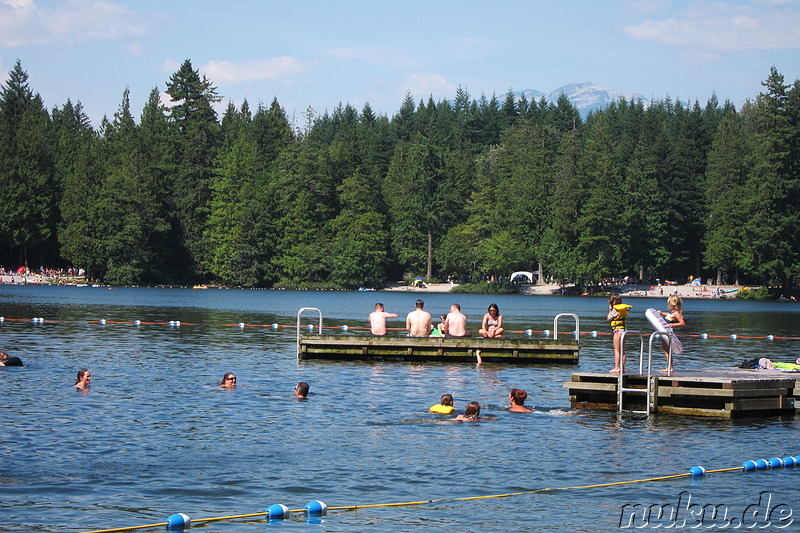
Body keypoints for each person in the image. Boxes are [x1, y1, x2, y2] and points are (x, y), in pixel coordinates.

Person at [658, 294, 685, 373]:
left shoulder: (676, 313)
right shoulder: (672, 312)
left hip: (668, 333)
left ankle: (670, 367)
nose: (668, 305)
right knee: (665, 349)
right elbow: (669, 315)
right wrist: (662, 313)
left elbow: (682, 323)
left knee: (667, 350)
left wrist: (672, 325)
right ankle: (669, 366)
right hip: (665, 332)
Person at [607, 294, 631, 373]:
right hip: (623, 330)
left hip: (617, 331)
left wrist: (610, 310)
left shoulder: (614, 310)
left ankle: (617, 367)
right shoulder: (623, 309)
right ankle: (623, 368)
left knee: (617, 350)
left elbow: (609, 319)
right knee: (622, 350)